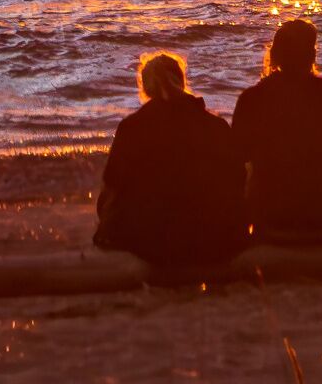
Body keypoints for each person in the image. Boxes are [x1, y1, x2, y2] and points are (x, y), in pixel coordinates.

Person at [93, 51, 248, 275]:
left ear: (145, 88)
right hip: (214, 237)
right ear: (182, 81)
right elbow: (237, 177)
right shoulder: (216, 125)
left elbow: (113, 184)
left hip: (153, 244)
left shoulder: (132, 127)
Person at [233, 17, 322, 248]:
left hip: (274, 223)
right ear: (312, 55)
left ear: (276, 55)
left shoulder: (251, 99)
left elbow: (237, 162)